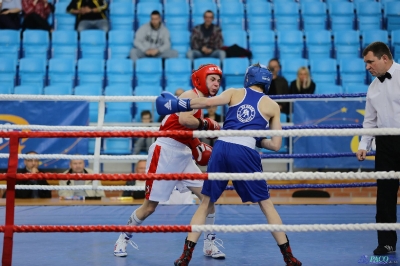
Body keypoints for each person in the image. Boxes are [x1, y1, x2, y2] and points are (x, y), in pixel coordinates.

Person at [156, 64, 302, 266]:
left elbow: (207, 103)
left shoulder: (234, 92)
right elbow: (276, 145)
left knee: (206, 203)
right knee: (266, 205)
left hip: (222, 147)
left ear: (248, 78)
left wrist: (178, 105)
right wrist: (257, 139)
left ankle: (185, 256)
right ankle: (289, 257)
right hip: (245, 151)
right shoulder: (273, 106)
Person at [113, 64, 226, 260]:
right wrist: (207, 124)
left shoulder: (199, 101)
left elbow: (185, 131)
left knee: (208, 197)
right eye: (212, 79)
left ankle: (209, 244)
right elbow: (184, 120)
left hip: (183, 153)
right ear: (201, 79)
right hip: (165, 151)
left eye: (218, 80)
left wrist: (196, 144)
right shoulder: (190, 96)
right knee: (150, 207)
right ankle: (123, 237)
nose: (216, 83)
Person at [356, 41, 400, 256]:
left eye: (370, 61)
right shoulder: (372, 87)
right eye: (366, 63)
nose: (367, 67)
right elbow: (370, 121)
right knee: (385, 195)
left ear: (384, 58)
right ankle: (386, 242)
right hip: (384, 144)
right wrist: (364, 144)